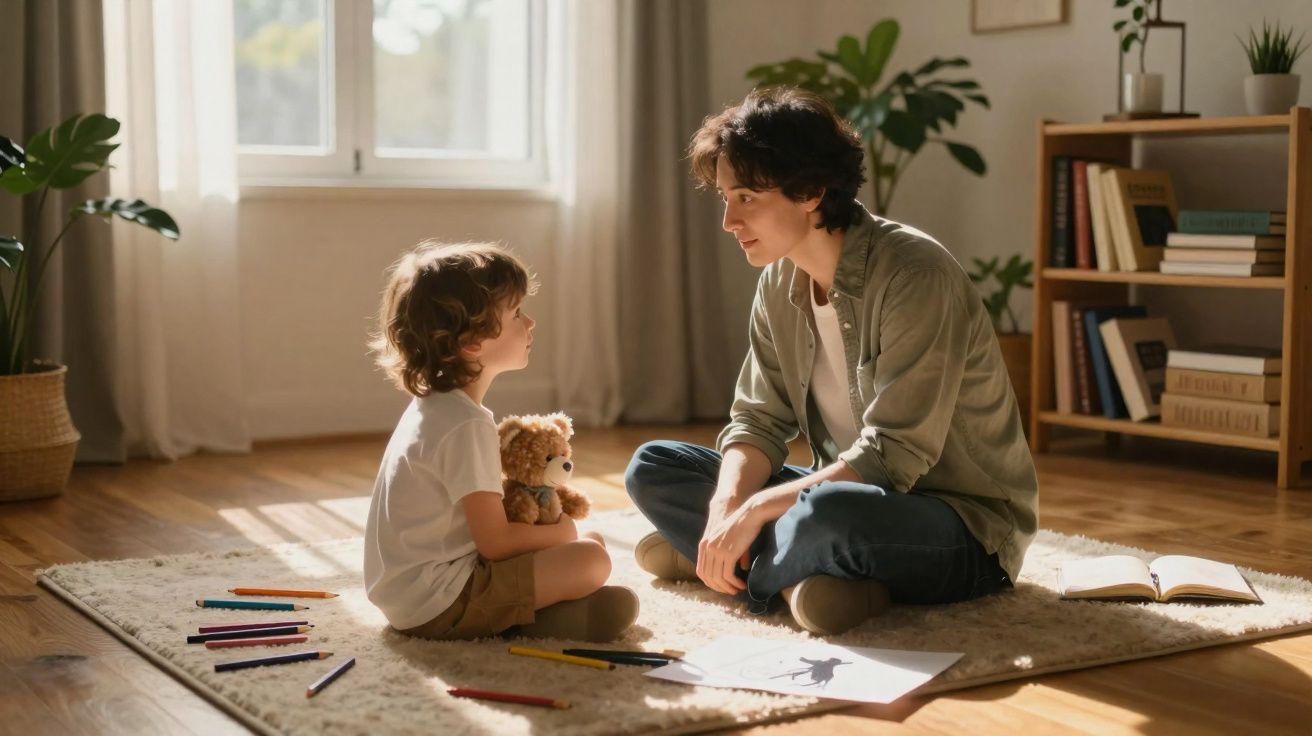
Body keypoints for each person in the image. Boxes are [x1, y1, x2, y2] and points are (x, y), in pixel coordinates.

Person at [625, 87, 1038, 636]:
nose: (728, 219)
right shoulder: (777, 279)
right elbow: (757, 421)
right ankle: (798, 575)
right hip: (847, 490)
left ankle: (738, 565)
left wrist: (753, 514)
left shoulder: (916, 275)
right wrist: (728, 505)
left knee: (826, 515)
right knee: (653, 466)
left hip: (959, 524)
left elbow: (893, 457)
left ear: (812, 191)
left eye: (746, 196)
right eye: (725, 197)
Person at [365, 241, 638, 641]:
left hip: (408, 595)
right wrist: (562, 532)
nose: (530, 324)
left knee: (588, 542)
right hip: (441, 602)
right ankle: (540, 621)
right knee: (591, 557)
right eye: (516, 314)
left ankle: (553, 613)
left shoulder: (434, 407)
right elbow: (496, 542)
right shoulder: (465, 425)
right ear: (472, 340)